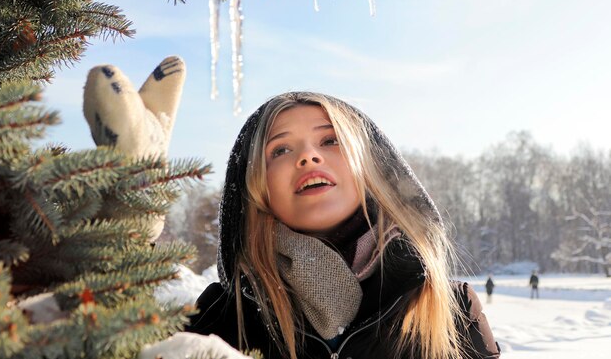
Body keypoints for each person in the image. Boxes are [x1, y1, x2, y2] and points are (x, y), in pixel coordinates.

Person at [186, 92, 500, 359]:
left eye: (330, 140)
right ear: (256, 188)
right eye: (280, 150)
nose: (308, 156)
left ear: (369, 167)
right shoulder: (222, 316)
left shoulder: (452, 309)